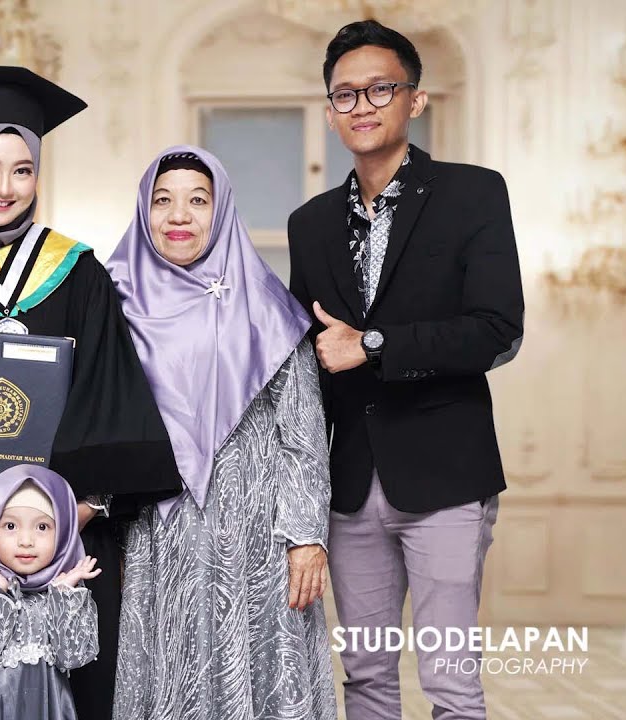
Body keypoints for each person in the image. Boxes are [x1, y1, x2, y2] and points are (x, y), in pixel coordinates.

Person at [0, 65, 182, 720]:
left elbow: (113, 389)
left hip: (68, 528)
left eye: (23, 170)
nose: (5, 187)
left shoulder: (76, 272)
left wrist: (85, 503)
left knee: (75, 687)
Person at [286, 20, 524, 720]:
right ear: (330, 113)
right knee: (365, 677)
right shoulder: (311, 223)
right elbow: (312, 362)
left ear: (414, 100)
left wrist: (376, 344)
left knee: (450, 684)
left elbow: (496, 331)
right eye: (345, 95)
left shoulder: (473, 194)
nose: (362, 105)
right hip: (350, 486)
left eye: (379, 88)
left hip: (446, 476)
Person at [107, 147, 337, 720]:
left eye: (197, 200)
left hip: (257, 537)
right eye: (162, 200)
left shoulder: (264, 303)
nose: (179, 215)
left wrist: (306, 534)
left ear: (222, 210)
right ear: (143, 212)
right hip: (158, 532)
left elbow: (302, 430)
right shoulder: (113, 299)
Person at [0, 465, 100, 720]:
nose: (26, 540)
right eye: (9, 526)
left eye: (42, 527)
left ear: (63, 535)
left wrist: (63, 594)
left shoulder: (67, 595)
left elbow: (73, 656)